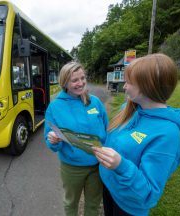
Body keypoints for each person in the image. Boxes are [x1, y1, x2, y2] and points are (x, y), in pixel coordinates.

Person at [92, 53, 180, 216]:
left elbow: (149, 193)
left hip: (129, 206)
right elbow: (113, 140)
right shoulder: (129, 108)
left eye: (129, 82)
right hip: (110, 188)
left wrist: (120, 166)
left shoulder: (167, 134)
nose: (124, 87)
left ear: (148, 86)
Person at [44, 61, 109, 216]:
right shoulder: (55, 107)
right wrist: (53, 140)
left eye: (83, 78)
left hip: (97, 165)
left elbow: (106, 130)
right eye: (75, 80)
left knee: (93, 204)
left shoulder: (95, 102)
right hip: (72, 168)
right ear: (65, 82)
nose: (80, 83)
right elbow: (49, 137)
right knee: (70, 203)